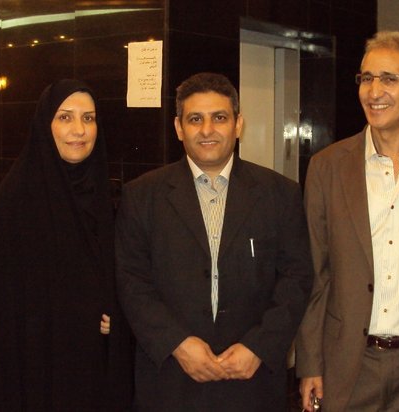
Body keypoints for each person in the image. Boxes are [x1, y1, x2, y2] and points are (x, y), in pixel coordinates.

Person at [115, 72, 313, 411]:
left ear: (238, 124)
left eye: (219, 117)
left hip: (252, 382)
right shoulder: (141, 195)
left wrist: (259, 347)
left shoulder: (279, 194)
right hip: (171, 380)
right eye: (195, 119)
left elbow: (296, 279)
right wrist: (176, 343)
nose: (207, 130)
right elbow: (132, 281)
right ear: (179, 128)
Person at [295, 31, 399, 412]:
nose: (374, 91)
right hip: (348, 364)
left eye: (389, 79)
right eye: (366, 78)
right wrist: (310, 363)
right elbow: (315, 273)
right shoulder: (327, 167)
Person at [0, 79, 133, 410]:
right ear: (44, 125)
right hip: (36, 371)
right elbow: (1, 304)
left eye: (89, 118)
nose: (79, 130)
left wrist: (116, 311)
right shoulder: (12, 204)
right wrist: (79, 311)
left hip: (92, 366)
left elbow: (116, 276)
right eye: (65, 117)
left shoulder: (103, 199)